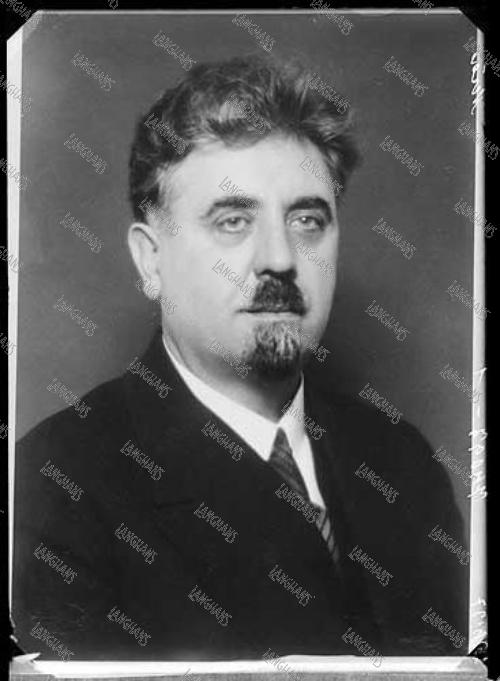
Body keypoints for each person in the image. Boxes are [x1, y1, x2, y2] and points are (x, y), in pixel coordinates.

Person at [13, 55, 467, 660]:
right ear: (151, 260)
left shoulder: (403, 464)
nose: (279, 258)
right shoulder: (53, 485)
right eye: (233, 220)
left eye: (307, 219)